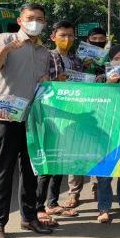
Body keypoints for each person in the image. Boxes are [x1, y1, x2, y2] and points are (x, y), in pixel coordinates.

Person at [0, 3, 52, 238]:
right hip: (5, 116)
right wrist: (5, 49)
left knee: (30, 170)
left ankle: (29, 217)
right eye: (30, 18)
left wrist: (45, 81)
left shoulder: (44, 51)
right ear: (20, 20)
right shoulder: (6, 39)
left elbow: (39, 83)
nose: (34, 22)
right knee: (2, 171)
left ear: (44, 23)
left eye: (39, 19)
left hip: (32, 118)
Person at [36, 21, 80, 227]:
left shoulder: (76, 59)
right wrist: (57, 81)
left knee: (61, 160)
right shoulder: (47, 56)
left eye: (71, 35)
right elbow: (41, 83)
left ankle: (52, 202)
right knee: (48, 161)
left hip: (71, 115)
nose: (67, 39)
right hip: (51, 115)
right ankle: (39, 206)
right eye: (63, 35)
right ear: (53, 36)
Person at [93, 44, 120, 223]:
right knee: (104, 171)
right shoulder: (101, 79)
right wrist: (109, 84)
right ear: (110, 61)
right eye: (116, 58)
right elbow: (94, 101)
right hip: (105, 130)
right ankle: (103, 208)